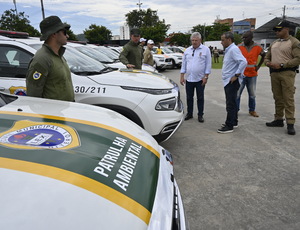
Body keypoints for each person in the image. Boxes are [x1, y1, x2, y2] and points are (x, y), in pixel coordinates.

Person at [26, 15, 74, 102]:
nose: (67, 36)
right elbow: (33, 96)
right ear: (54, 34)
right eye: (64, 32)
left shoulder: (59, 56)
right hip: (52, 113)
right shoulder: (42, 59)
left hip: (64, 111)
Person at [264, 20, 300, 135]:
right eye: (276, 30)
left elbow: (298, 59)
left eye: (279, 30)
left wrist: (282, 65)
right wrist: (268, 62)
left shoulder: (294, 42)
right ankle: (278, 119)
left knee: (288, 98)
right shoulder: (274, 42)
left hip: (287, 73)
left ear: (287, 29)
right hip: (274, 73)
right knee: (278, 97)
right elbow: (267, 56)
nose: (277, 32)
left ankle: (290, 123)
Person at [218, 32, 247, 133]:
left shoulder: (233, 49)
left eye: (223, 40)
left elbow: (243, 61)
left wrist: (236, 75)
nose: (221, 42)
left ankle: (229, 125)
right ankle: (234, 121)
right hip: (228, 80)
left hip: (231, 81)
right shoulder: (230, 49)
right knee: (233, 102)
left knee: (230, 104)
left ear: (229, 40)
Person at [180, 32, 212, 123]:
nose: (194, 42)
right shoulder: (187, 50)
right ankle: (189, 113)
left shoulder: (206, 50)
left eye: (196, 40)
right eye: (192, 40)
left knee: (200, 98)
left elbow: (208, 64)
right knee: (189, 97)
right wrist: (182, 76)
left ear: (200, 40)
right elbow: (184, 64)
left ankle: (200, 115)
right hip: (189, 79)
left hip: (200, 79)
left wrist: (206, 77)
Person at [237, 31, 265, 117]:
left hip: (252, 74)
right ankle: (236, 109)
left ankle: (252, 110)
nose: (243, 39)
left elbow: (264, 55)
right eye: (243, 38)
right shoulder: (239, 47)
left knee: (252, 94)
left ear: (251, 38)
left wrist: (258, 66)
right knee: (237, 93)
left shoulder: (257, 47)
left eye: (245, 38)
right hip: (241, 75)